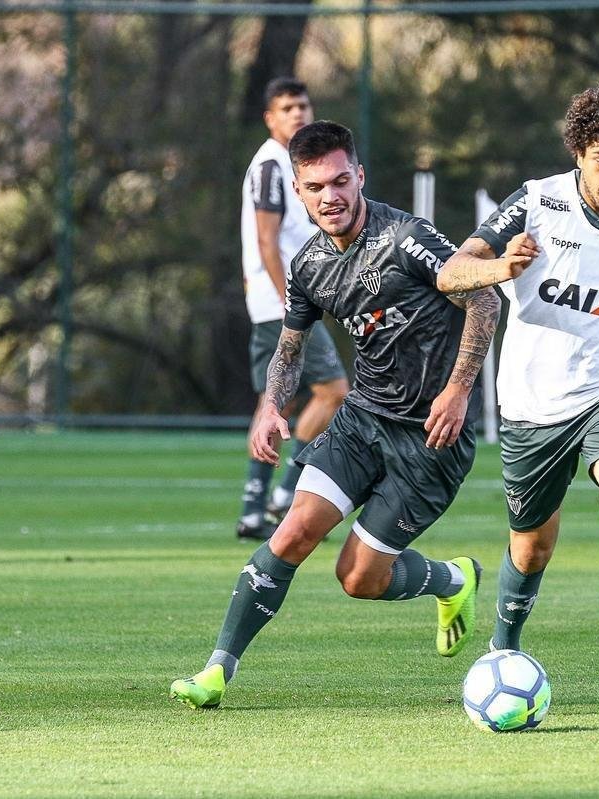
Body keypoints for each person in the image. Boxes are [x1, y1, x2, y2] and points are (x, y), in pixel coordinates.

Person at [171, 121, 502, 709]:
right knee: (292, 532)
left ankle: (454, 579)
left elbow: (481, 296)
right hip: (360, 423)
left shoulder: (406, 238)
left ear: (360, 177)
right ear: (298, 192)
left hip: (430, 440)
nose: (332, 196)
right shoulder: (306, 266)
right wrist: (272, 406)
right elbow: (290, 348)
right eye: (316, 186)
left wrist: (458, 390)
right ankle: (216, 671)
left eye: (341, 181)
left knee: (358, 579)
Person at [436, 82, 599, 709]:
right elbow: (451, 271)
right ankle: (503, 644)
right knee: (532, 547)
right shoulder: (535, 204)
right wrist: (499, 268)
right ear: (578, 153)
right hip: (532, 402)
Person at [237, 77, 350, 540]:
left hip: (277, 300)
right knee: (333, 391)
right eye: (287, 108)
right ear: (270, 117)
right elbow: (266, 239)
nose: (298, 114)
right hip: (278, 302)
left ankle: (252, 507)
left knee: (275, 399)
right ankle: (287, 491)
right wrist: (292, 302)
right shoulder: (269, 165)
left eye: (303, 105)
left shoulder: (292, 163)